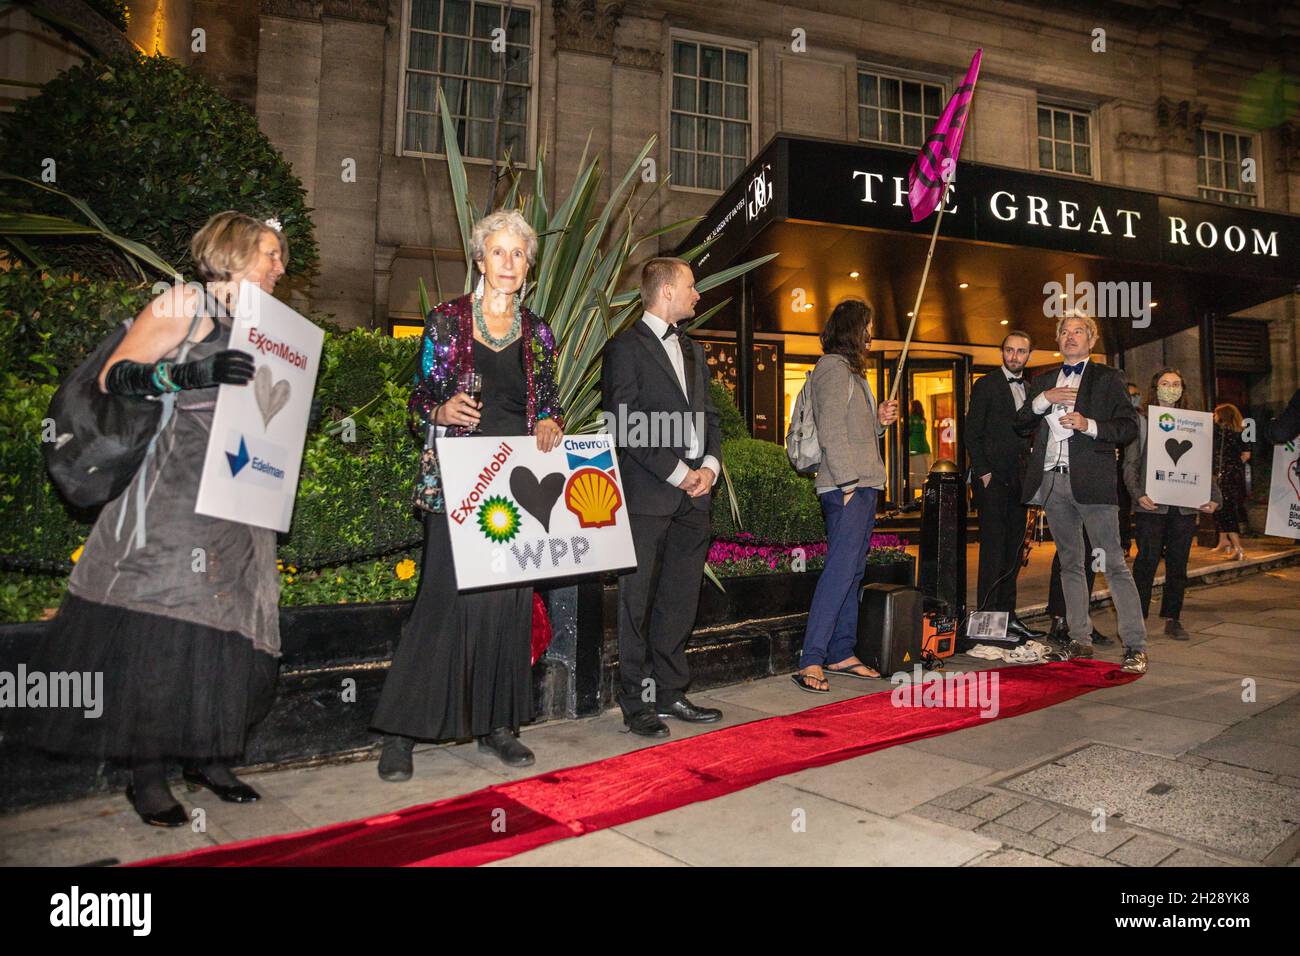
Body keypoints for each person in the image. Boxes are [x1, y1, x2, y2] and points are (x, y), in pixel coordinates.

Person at [8, 211, 287, 826]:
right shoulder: (184, 302)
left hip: (238, 507)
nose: (279, 267)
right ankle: (147, 773)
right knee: (163, 633)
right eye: (269, 254)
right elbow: (116, 376)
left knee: (224, 632)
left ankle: (207, 757)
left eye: (280, 258)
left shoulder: (267, 328)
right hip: (172, 499)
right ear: (233, 252)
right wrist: (189, 372)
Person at [371, 209, 564, 777]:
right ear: (479, 259)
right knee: (441, 600)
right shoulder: (445, 323)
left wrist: (551, 421)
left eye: (519, 253)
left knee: (506, 606)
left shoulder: (540, 331)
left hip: (518, 484)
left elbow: (548, 399)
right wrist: (439, 408)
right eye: (498, 252)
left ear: (529, 264)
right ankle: (401, 732)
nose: (509, 263)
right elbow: (416, 401)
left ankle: (497, 725)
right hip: (460, 480)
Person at [601, 257, 724, 736]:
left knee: (679, 599)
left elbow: (710, 418)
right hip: (649, 496)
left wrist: (710, 468)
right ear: (667, 290)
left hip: (695, 499)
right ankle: (636, 701)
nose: (698, 294)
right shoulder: (623, 349)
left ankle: (670, 692)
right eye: (692, 286)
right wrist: (679, 473)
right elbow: (626, 426)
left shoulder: (693, 351)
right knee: (637, 604)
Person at [1015, 315, 1147, 674]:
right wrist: (1044, 399)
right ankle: (1079, 638)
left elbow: (1127, 427)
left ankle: (1135, 645)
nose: (1070, 337)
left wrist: (1088, 425)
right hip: (1053, 483)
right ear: (1057, 339)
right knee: (1070, 563)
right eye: (1064, 331)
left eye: (1078, 332)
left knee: (1113, 564)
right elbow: (1021, 423)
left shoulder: (1108, 378)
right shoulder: (1042, 380)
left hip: (1093, 483)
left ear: (1091, 339)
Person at [790, 299, 899, 693]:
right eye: (867, 326)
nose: (871, 334)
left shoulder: (853, 372)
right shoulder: (832, 368)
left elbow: (857, 432)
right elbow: (832, 430)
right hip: (846, 486)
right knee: (839, 572)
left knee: (852, 572)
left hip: (862, 483)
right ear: (854, 328)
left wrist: (879, 422)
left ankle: (841, 651)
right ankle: (811, 659)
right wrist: (849, 484)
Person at [1124, 368, 1222, 640]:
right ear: (1155, 388)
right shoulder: (1141, 421)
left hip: (1184, 507)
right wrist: (1137, 493)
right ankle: (1137, 619)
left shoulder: (1195, 422)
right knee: (1146, 562)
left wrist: (1215, 497)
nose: (1171, 387)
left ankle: (1173, 618)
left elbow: (1203, 463)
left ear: (1183, 389)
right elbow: (1130, 464)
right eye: (1165, 383)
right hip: (1151, 505)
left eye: (1176, 383)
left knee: (1179, 564)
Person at [965, 330, 1041, 639]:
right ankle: (987, 622)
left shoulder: (1031, 389)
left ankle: (1008, 617)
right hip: (993, 481)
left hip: (1019, 482)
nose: (1014, 356)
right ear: (1002, 352)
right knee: (992, 551)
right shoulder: (985, 385)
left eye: (1020, 351)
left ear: (1028, 355)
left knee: (1013, 552)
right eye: (1009, 350)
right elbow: (972, 433)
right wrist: (984, 474)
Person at [1212, 403, 1250, 561]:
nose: (1213, 416)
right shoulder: (1240, 432)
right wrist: (1235, 463)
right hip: (1235, 474)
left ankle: (1237, 547)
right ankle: (1224, 541)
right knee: (1224, 507)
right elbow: (1246, 454)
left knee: (1224, 509)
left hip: (1223, 475)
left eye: (1215, 414)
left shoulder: (1219, 432)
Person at [908, 399, 931, 501]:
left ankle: (910, 500)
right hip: (925, 449)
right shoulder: (923, 420)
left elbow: (908, 431)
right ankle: (924, 498)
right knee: (924, 474)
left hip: (914, 450)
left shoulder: (911, 419)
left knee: (913, 475)